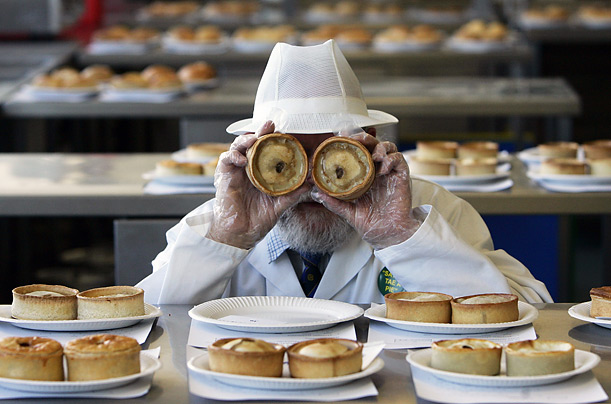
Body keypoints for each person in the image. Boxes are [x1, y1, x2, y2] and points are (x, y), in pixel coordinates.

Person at [137, 40, 552, 305]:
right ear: (251, 155)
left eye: (336, 161)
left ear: (369, 145)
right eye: (285, 160)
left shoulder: (433, 210)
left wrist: (400, 237)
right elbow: (146, 322)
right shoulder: (216, 222)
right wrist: (229, 237)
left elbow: (527, 314)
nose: (314, 184)